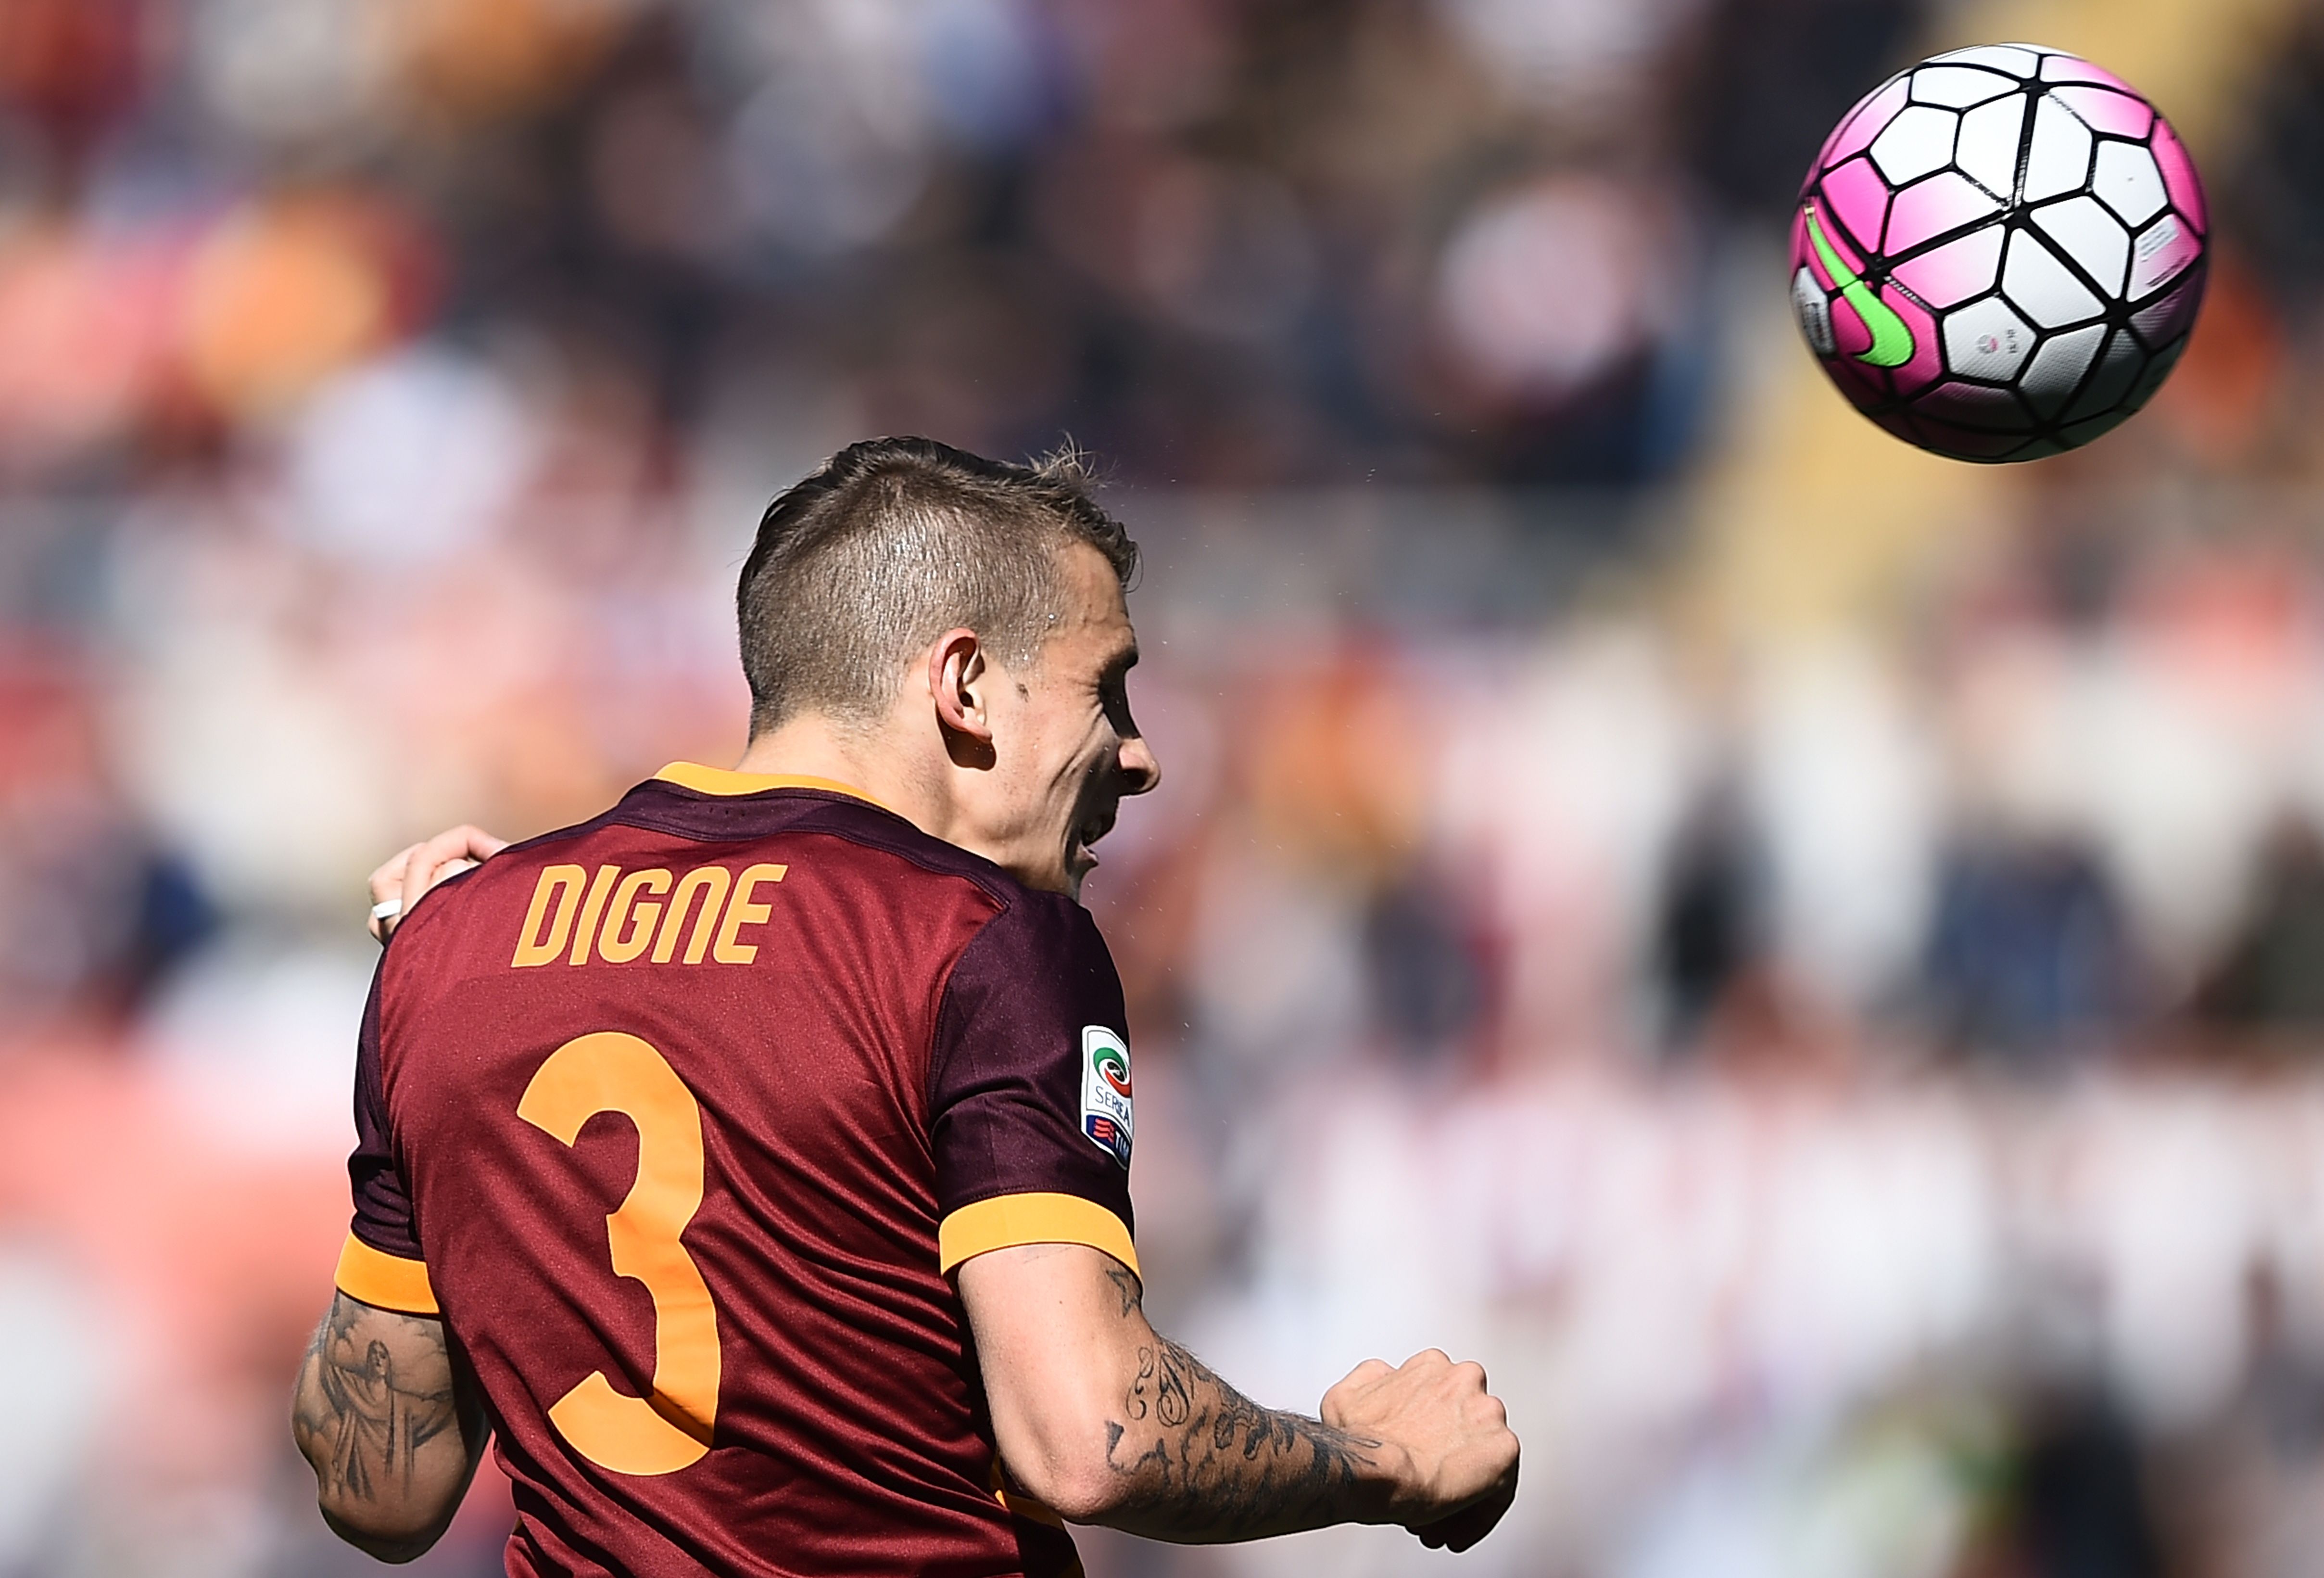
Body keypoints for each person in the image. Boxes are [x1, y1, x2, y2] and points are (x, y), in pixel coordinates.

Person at [290, 436, 1519, 1575]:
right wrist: (1382, 1460)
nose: (1138, 755)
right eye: (1109, 687)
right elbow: (1091, 1436)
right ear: (968, 685)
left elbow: (378, 1481)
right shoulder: (981, 940)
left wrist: (460, 981)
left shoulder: (447, 946)